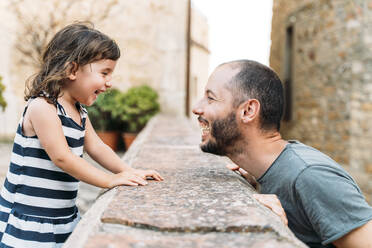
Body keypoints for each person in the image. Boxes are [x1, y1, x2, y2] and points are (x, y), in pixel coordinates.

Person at [0, 23, 163, 247]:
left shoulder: (79, 111)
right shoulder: (43, 107)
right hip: (31, 219)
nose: (109, 83)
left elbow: (97, 147)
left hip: (61, 216)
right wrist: (109, 180)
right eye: (104, 72)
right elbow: (62, 157)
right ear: (72, 70)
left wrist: (129, 172)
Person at [192, 60, 372, 248]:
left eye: (210, 98)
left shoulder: (310, 176)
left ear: (248, 111)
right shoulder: (265, 172)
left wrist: (282, 237)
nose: (197, 108)